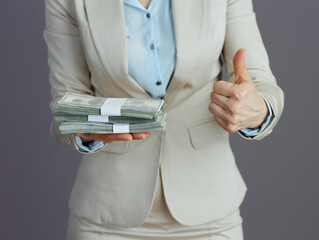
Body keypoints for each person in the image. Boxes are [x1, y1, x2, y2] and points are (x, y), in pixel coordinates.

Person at [44, 0, 284, 239]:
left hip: (209, 211)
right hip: (106, 216)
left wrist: (258, 108)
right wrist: (86, 126)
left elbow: (257, 80)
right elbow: (64, 108)